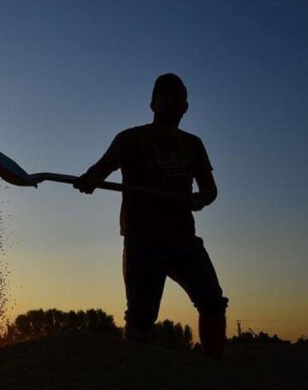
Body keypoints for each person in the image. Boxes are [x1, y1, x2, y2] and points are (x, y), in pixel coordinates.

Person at [74, 73, 228, 358]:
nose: (171, 102)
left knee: (213, 303)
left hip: (183, 239)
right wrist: (88, 180)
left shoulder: (193, 145)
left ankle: (214, 369)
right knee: (141, 319)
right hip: (142, 241)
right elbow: (100, 170)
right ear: (153, 104)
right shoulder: (129, 140)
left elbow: (210, 190)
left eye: (178, 97)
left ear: (186, 106)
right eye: (165, 97)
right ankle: (137, 377)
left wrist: (200, 199)